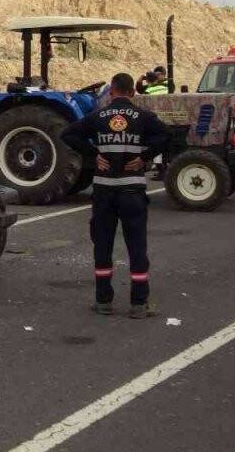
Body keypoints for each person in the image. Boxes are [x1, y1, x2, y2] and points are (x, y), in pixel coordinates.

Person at [61, 73, 171, 318]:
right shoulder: (144, 117)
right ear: (133, 92)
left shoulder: (97, 116)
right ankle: (139, 304)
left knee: (103, 245)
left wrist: (93, 155)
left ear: (111, 92)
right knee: (137, 246)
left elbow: (68, 134)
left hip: (104, 191)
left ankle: (103, 301)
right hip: (132, 191)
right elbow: (167, 136)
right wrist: (144, 157)